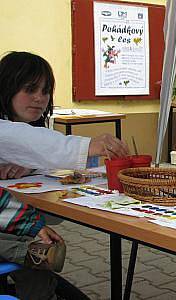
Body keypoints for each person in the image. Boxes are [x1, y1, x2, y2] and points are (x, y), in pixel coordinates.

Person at [0, 51, 129, 299]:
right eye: (30, 89)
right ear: (6, 88)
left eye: (45, 91)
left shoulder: (29, 133)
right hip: (11, 227)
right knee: (42, 254)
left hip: (15, 220)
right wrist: (91, 144)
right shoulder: (11, 132)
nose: (39, 98)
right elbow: (31, 142)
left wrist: (30, 165)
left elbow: (36, 148)